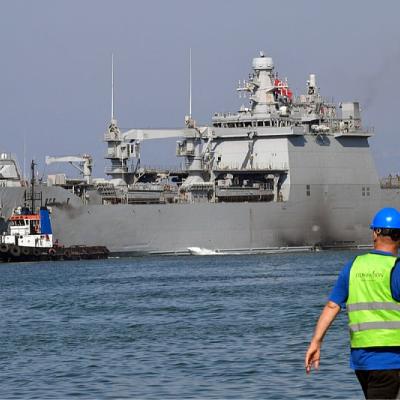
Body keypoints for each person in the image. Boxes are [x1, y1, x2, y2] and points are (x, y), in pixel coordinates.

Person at [305, 207, 400, 399]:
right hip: (392, 360)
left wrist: (316, 342)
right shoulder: (396, 269)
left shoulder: (353, 266)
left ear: (375, 233)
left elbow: (332, 306)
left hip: (362, 362)